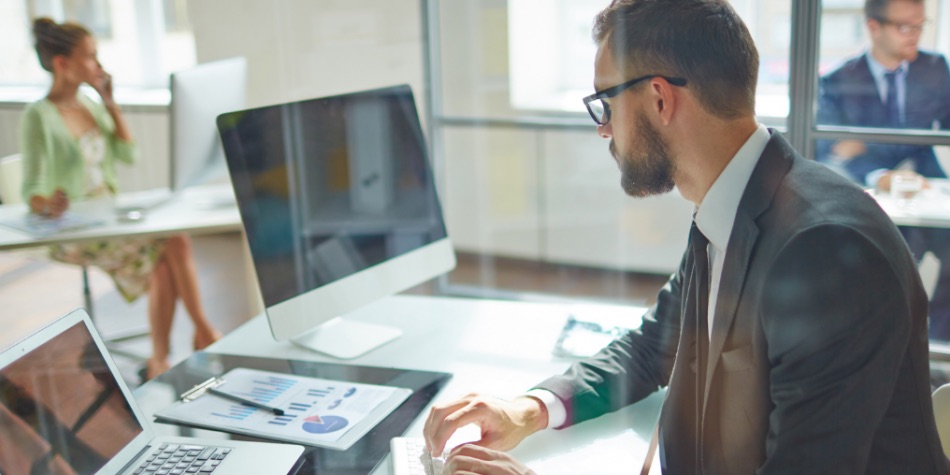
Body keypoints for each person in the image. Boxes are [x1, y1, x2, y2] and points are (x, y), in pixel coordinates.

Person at [423, 0, 949, 473]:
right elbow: (658, 343)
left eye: (605, 103)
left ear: (658, 99)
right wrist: (530, 409)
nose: (603, 128)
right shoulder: (733, 200)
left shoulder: (825, 252)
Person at [19, 18, 221, 381]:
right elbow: (29, 189)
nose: (99, 65)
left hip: (108, 216)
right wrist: (49, 204)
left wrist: (110, 103)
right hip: (72, 230)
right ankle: (200, 334)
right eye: (91, 57)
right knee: (171, 247)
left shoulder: (90, 105)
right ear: (63, 63)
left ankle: (163, 358)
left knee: (172, 245)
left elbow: (128, 155)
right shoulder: (39, 116)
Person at [816, 0, 950, 340]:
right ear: (874, 27)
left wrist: (864, 147)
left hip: (926, 190)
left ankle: (934, 350)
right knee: (880, 274)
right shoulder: (839, 80)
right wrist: (881, 175)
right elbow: (828, 150)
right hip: (871, 195)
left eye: (920, 26)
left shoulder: (934, 69)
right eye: (905, 27)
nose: (915, 36)